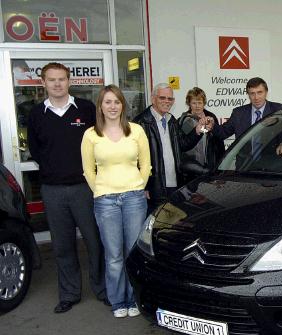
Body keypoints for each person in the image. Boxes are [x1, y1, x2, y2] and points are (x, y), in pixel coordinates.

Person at [27, 62, 107, 313]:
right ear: (43, 83)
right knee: (62, 245)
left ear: (69, 81)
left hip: (84, 188)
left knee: (95, 242)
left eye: (62, 79)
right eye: (52, 80)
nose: (57, 84)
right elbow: (36, 149)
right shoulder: (36, 114)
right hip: (53, 190)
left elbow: (100, 144)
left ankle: (103, 289)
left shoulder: (85, 109)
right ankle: (69, 294)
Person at [80, 85, 151, 318]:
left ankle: (133, 298)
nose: (112, 106)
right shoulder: (91, 135)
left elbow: (146, 164)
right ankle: (118, 301)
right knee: (113, 255)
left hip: (134, 198)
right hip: (105, 201)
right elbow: (88, 170)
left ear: (123, 105)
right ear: (101, 106)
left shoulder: (137, 131)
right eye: (108, 102)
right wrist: (101, 191)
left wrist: (138, 187)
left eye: (117, 102)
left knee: (132, 252)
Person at [133, 83, 204, 212]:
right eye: (162, 98)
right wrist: (144, 186)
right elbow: (134, 159)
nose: (167, 101)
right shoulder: (141, 122)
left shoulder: (171, 120)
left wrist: (198, 131)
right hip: (153, 188)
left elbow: (182, 144)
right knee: (153, 225)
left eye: (170, 99)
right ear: (153, 98)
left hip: (174, 185)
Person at [212, 77, 282, 156]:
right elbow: (223, 133)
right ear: (248, 95)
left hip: (271, 163)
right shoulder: (238, 113)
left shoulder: (277, 109)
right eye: (252, 93)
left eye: (259, 92)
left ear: (266, 92)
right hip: (245, 165)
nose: (256, 97)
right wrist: (210, 125)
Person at [177, 87, 225, 175]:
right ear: (189, 104)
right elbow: (182, 145)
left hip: (210, 165)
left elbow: (219, 141)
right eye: (194, 103)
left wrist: (222, 163)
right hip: (190, 168)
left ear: (204, 103)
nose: (197, 106)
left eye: (200, 103)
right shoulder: (183, 120)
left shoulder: (211, 117)